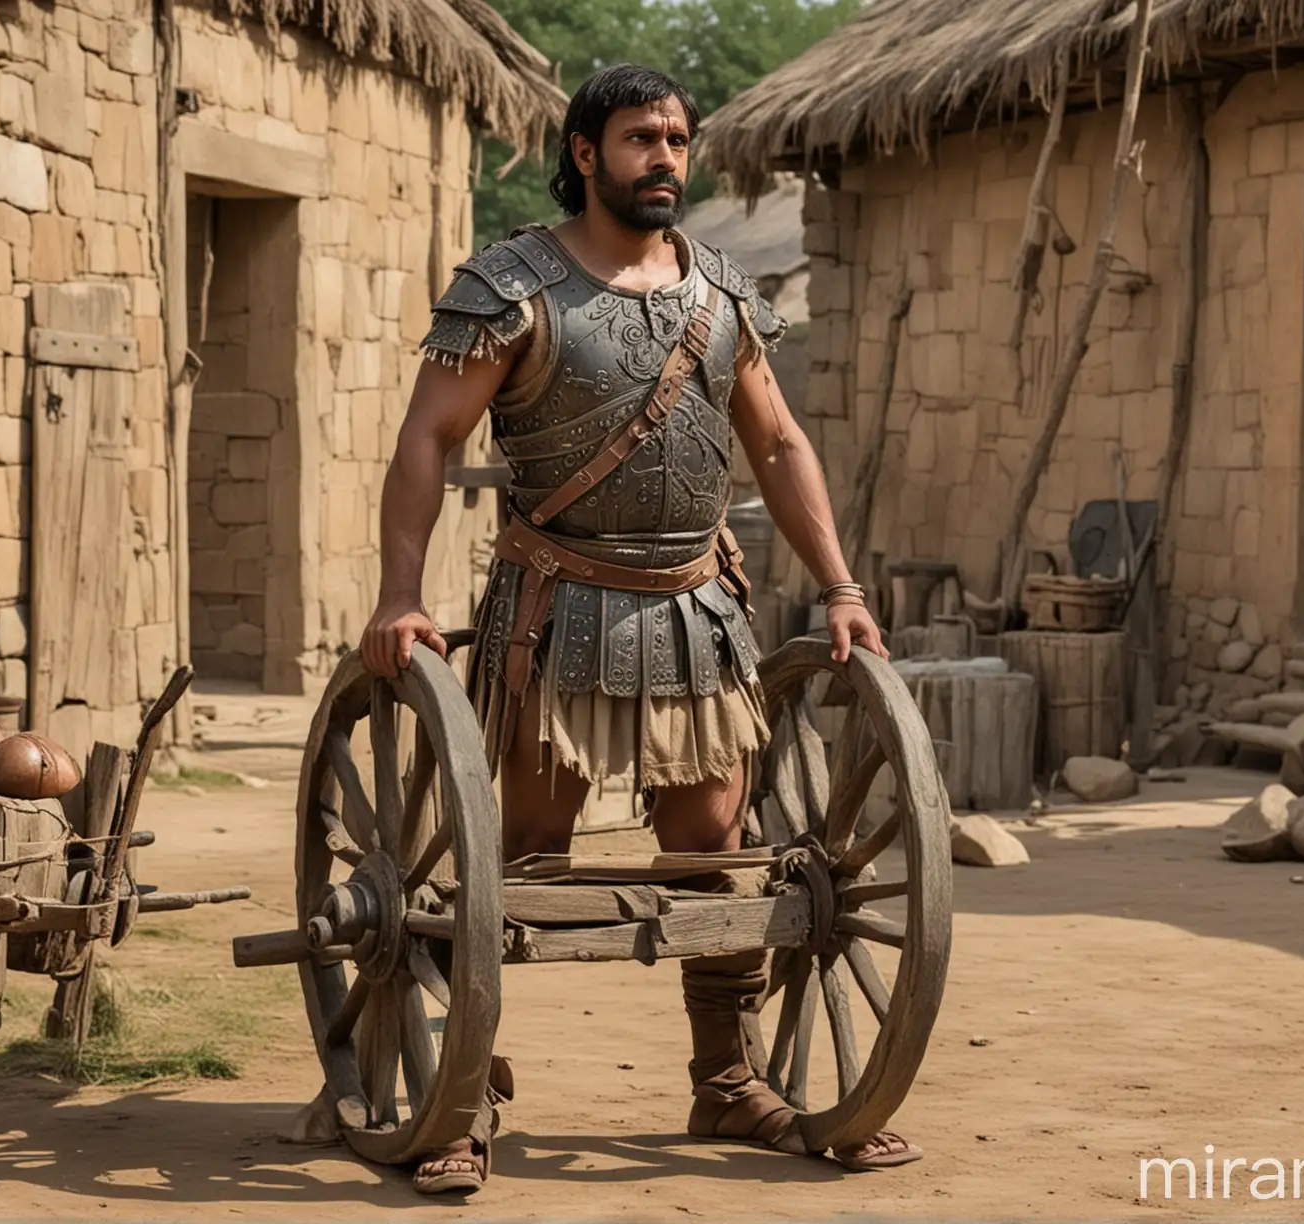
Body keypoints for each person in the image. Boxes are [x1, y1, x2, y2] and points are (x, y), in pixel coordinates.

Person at [358, 63, 920, 1195]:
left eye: (676, 139)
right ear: (585, 152)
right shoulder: (512, 286)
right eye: (640, 139)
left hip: (697, 608)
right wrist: (399, 592)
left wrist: (843, 588)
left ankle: (726, 1080)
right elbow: (427, 437)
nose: (665, 158)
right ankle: (463, 1093)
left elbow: (779, 446)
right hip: (553, 609)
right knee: (517, 864)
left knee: (718, 858)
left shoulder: (720, 292)